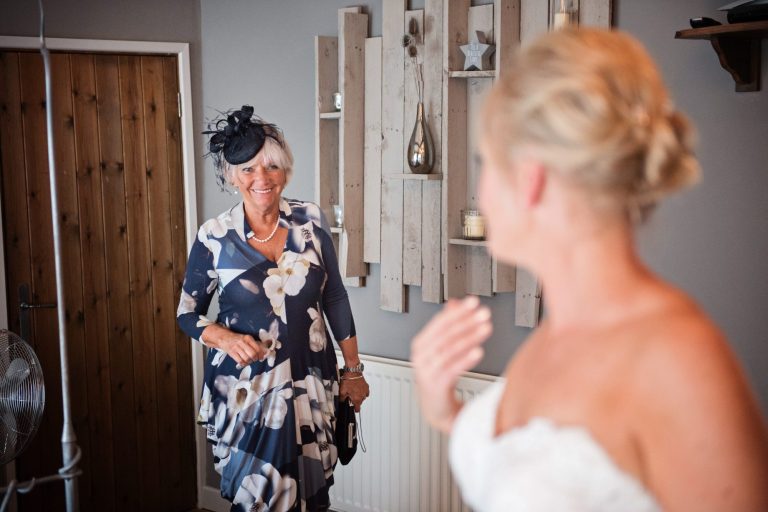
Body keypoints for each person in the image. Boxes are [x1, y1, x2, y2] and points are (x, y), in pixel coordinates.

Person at [411, 28, 768, 512]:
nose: (481, 191)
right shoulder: (557, 332)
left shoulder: (679, 362)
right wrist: (445, 410)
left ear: (531, 178)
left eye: (485, 163)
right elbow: (532, 474)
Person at [177, 106, 369, 512]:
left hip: (311, 382)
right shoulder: (214, 236)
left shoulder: (311, 221)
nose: (261, 179)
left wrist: (353, 370)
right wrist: (224, 337)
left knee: (312, 497)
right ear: (232, 177)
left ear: (285, 171)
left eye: (271, 167)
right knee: (256, 497)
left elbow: (334, 295)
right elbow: (187, 313)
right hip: (247, 392)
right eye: (248, 169)